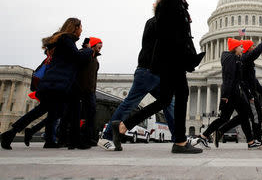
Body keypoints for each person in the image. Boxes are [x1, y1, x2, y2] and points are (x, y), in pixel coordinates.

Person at [110, 0, 205, 154]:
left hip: (169, 61)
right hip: (172, 61)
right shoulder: (171, 3)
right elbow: (170, 36)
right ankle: (180, 142)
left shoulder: (175, 4)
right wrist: (184, 58)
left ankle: (123, 125)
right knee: (181, 95)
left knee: (165, 100)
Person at [0, 18, 93, 149]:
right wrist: (89, 50)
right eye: (81, 27)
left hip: (57, 82)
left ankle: (58, 140)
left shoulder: (63, 40)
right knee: (58, 109)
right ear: (75, 27)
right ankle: (11, 133)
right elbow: (77, 58)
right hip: (58, 82)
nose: (82, 30)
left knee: (58, 110)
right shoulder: (66, 40)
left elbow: (71, 58)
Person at [97, 15, 175, 151]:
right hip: (148, 71)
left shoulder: (158, 22)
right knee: (130, 104)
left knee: (169, 102)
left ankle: (179, 139)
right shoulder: (159, 22)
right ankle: (107, 136)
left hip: (156, 73)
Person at [194, 38, 262, 150]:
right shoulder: (230, 59)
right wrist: (225, 95)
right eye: (240, 47)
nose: (242, 48)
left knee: (225, 118)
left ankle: (204, 136)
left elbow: (240, 80)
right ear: (235, 48)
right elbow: (228, 78)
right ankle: (250, 142)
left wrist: (249, 96)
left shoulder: (236, 59)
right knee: (242, 115)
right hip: (233, 93)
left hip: (234, 92)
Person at [212, 33, 262, 148]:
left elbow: (253, 80)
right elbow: (234, 78)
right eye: (252, 46)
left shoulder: (246, 61)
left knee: (245, 116)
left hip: (248, 93)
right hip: (246, 93)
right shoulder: (245, 58)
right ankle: (255, 140)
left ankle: (222, 131)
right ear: (247, 48)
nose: (254, 47)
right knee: (253, 116)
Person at [74, 37, 103, 149]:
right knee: (78, 114)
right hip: (80, 89)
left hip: (90, 91)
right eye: (99, 45)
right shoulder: (83, 54)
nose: (100, 47)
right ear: (93, 45)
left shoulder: (95, 60)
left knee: (91, 114)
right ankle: (78, 138)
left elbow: (93, 78)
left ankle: (88, 138)